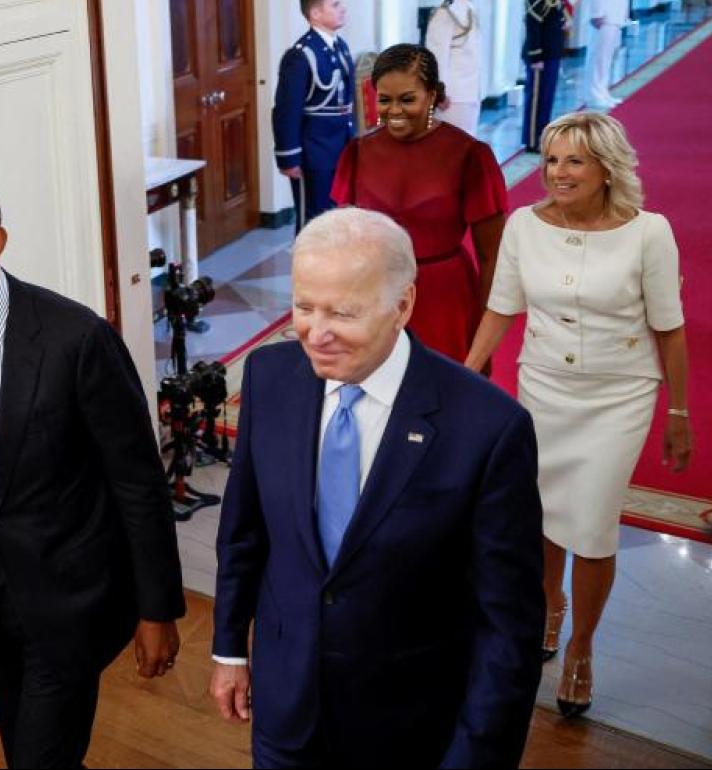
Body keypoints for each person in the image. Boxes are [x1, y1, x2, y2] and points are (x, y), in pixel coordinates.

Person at [209, 207, 545, 768]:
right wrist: (229, 650)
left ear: (403, 305)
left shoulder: (488, 427)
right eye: (303, 306)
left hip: (411, 730)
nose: (316, 333)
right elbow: (244, 530)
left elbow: (507, 626)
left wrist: (476, 756)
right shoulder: (270, 378)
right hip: (285, 710)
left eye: (342, 312)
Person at [0, 170, 185, 768]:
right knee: (28, 749)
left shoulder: (78, 338)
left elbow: (137, 482)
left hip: (71, 606)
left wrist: (158, 608)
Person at [466, 111, 691, 718]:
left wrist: (680, 409)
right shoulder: (522, 225)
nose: (557, 173)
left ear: (606, 168)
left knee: (590, 526)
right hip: (544, 390)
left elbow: (669, 326)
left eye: (574, 161)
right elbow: (501, 308)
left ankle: (582, 650)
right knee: (541, 515)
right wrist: (468, 371)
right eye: (551, 159)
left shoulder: (649, 232)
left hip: (619, 395)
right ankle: (548, 610)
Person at [331, 44, 507, 364]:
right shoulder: (358, 153)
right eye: (385, 99)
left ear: (432, 95)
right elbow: (346, 244)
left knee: (443, 396)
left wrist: (484, 332)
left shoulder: (469, 155)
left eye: (407, 99)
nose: (394, 111)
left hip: (444, 298)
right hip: (378, 293)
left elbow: (492, 257)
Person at [273, 0, 355, 233]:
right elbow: (287, 110)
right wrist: (289, 157)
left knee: (338, 214)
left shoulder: (340, 46)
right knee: (314, 220)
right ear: (316, 13)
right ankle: (308, 269)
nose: (343, 8)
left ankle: (335, 269)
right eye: (335, 4)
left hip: (341, 145)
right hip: (315, 150)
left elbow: (346, 103)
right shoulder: (300, 55)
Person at [424, 0, 482, 135]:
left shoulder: (470, 9)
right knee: (450, 147)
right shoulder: (444, 14)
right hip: (452, 97)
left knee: (467, 146)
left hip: (471, 93)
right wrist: (439, 92)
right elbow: (436, 58)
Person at [523, 0, 569, 152]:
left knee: (547, 99)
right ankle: (532, 140)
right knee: (537, 100)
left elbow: (556, 15)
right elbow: (532, 23)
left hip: (552, 53)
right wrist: (535, 56)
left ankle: (542, 136)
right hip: (541, 56)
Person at [584, 0, 629, 109]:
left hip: (615, 15)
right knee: (599, 58)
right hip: (604, 16)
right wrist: (596, 13)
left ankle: (603, 91)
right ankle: (594, 95)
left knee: (607, 59)